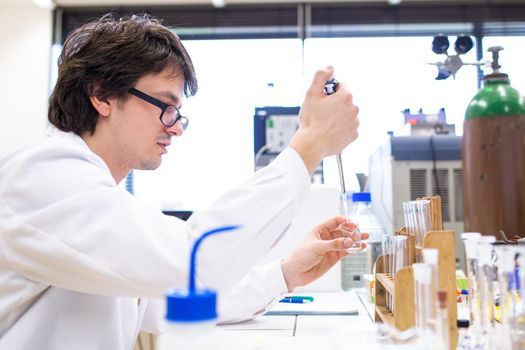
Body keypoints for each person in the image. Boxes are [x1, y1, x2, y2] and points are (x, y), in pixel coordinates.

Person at [0, 13, 361, 350]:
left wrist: (286, 275)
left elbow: (168, 298)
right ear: (102, 95)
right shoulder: (41, 177)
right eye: (164, 105)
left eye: (178, 113)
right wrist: (307, 147)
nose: (174, 127)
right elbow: (192, 264)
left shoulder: (95, 197)